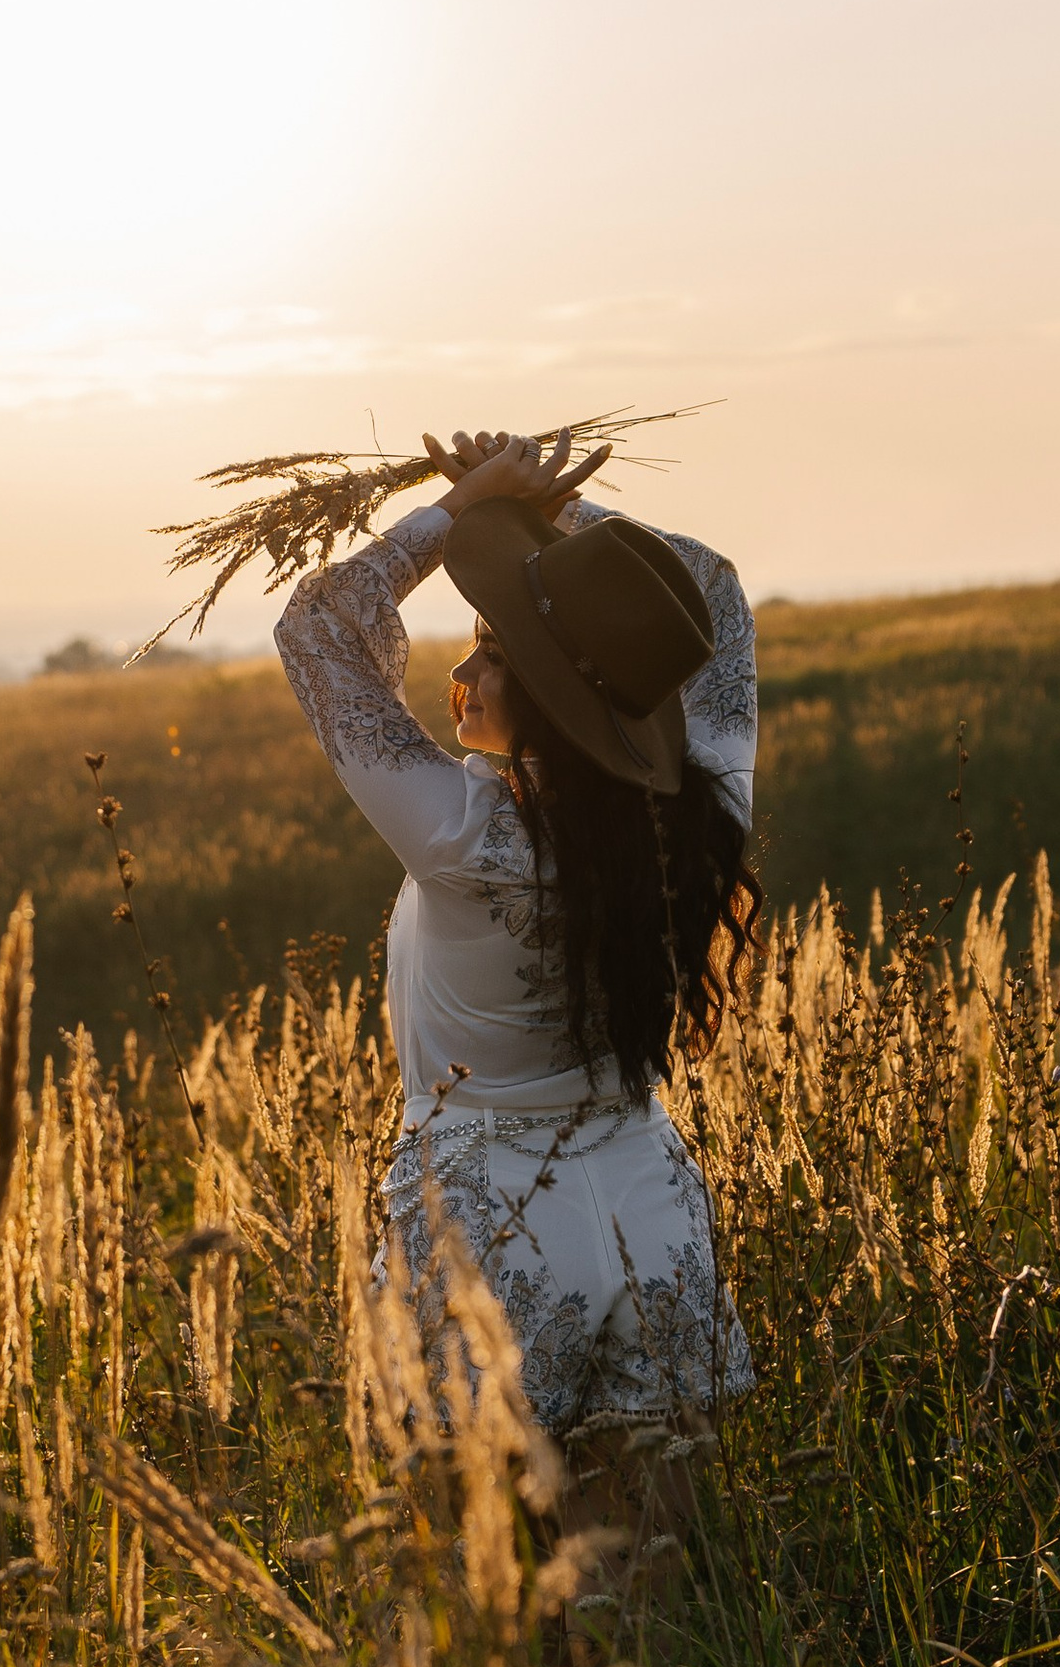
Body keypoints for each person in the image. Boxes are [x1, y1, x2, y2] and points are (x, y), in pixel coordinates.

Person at [274, 424, 761, 1539]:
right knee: (653, 1580)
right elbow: (715, 604)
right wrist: (562, 536)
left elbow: (315, 631)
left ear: (547, 696)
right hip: (649, 1213)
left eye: (492, 654)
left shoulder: (466, 834)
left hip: (492, 1227)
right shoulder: (701, 808)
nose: (458, 671)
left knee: (480, 1579)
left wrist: (472, 508)